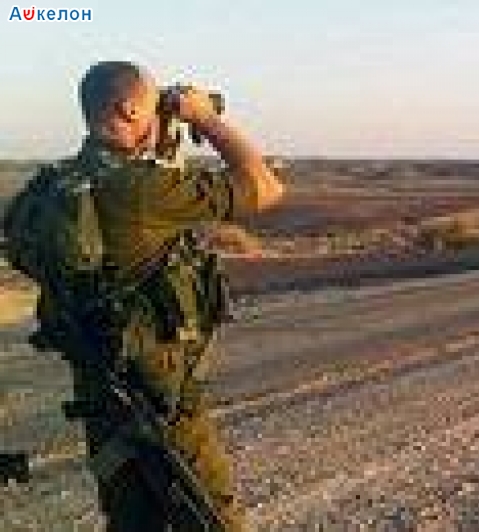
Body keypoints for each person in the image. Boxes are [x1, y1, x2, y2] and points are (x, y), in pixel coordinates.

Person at [46, 60, 283, 531]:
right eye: (156, 107)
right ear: (129, 110)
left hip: (104, 396)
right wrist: (205, 118)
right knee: (213, 519)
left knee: (134, 522)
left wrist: (164, 141)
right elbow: (265, 187)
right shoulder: (142, 191)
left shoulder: (59, 185)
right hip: (163, 402)